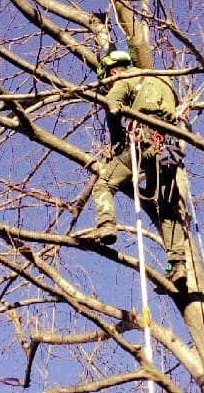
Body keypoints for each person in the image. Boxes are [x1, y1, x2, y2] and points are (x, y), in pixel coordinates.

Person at [80, 49, 188, 285]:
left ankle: (106, 226)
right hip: (169, 149)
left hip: (143, 141)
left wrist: (117, 140)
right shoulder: (165, 84)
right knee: (167, 207)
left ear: (113, 72)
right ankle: (178, 265)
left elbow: (112, 105)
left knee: (104, 184)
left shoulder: (125, 78)